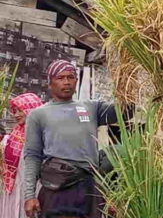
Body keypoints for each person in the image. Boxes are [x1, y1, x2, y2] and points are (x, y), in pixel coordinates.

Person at [22, 59, 124, 218]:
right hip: (57, 186)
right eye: (60, 78)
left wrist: (128, 82)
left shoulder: (91, 107)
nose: (66, 82)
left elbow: (124, 111)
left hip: (88, 186)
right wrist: (29, 195)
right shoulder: (38, 115)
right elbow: (32, 156)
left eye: (70, 77)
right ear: (50, 83)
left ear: (76, 81)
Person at [0, 93, 43, 218]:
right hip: (12, 189)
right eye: (15, 111)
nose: (16, 114)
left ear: (31, 110)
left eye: (20, 110)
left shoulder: (44, 135)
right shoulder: (11, 137)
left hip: (34, 189)